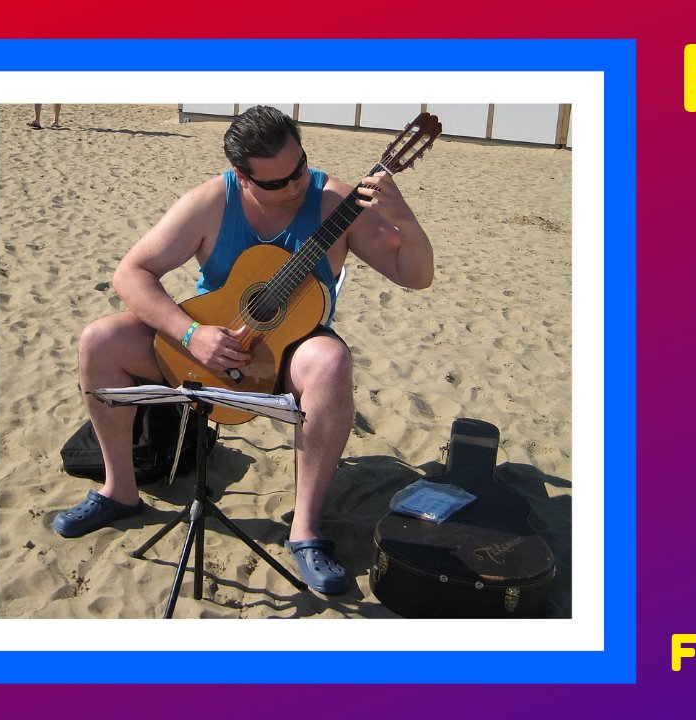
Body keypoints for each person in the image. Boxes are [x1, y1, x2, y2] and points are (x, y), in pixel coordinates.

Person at [51, 105, 434, 595]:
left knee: (332, 361)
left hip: (290, 353)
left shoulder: (335, 202)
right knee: (99, 340)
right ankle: (119, 490)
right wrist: (192, 335)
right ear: (242, 176)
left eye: (299, 170)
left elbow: (414, 275)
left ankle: (305, 530)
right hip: (206, 345)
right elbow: (131, 273)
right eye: (277, 182)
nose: (295, 186)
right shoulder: (212, 201)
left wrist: (402, 217)